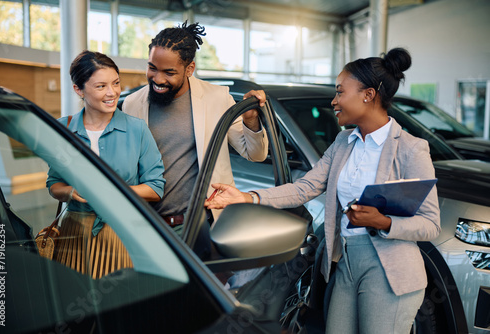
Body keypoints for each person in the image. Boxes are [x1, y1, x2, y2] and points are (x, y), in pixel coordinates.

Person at [205, 48, 441, 333]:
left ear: (367, 95)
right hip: (343, 263)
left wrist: (382, 222)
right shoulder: (344, 142)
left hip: (390, 269)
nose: (334, 101)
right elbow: (305, 187)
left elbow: (430, 225)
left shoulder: (410, 149)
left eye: (341, 92)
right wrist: (246, 197)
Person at [122, 21, 268, 258]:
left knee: (202, 294)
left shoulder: (217, 98)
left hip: (201, 226)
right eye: (152, 68)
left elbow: (255, 154)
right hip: (148, 226)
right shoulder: (132, 104)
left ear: (189, 69)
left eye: (169, 72)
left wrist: (251, 119)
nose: (157, 79)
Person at [46, 50, 166, 279]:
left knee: (119, 307)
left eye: (116, 83)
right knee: (72, 306)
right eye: (101, 86)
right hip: (74, 234)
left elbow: (156, 187)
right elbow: (53, 184)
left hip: (124, 234)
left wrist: (114, 191)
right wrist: (71, 191)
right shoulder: (63, 129)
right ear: (78, 89)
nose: (112, 93)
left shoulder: (136, 129)